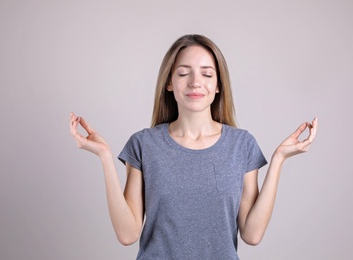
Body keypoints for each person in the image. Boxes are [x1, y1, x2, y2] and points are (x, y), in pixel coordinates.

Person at [70, 34, 318, 259]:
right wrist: (104, 156)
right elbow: (127, 234)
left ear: (219, 85)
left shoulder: (241, 145)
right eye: (183, 73)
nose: (195, 82)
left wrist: (278, 160)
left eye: (207, 74)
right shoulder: (144, 144)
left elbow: (252, 235)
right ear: (169, 83)